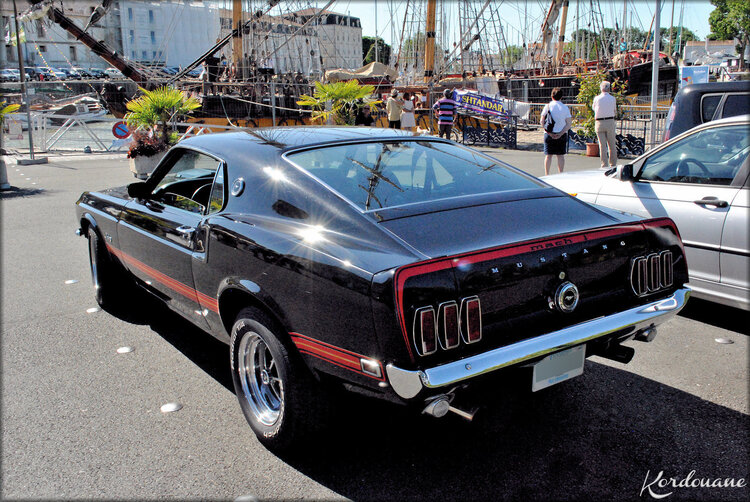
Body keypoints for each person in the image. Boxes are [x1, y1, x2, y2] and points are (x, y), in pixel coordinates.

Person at [540, 87, 572, 175]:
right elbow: (569, 123)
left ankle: (547, 174)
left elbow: (542, 121)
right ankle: (560, 173)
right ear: (561, 97)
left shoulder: (548, 106)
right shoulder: (565, 108)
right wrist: (561, 133)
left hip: (549, 133)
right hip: (561, 133)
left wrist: (549, 133)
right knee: (560, 156)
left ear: (551, 96)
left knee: (548, 156)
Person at [592, 80, 618, 168]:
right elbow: (614, 110)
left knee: (602, 145)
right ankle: (613, 164)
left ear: (601, 88)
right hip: (610, 121)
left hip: (599, 122)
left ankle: (604, 164)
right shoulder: (612, 98)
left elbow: (594, 108)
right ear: (609, 88)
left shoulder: (597, 98)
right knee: (612, 144)